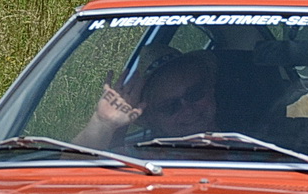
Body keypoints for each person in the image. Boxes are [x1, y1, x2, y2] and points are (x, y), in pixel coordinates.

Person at [73, 48, 218, 149]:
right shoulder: (140, 162)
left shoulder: (240, 140)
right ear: (150, 118)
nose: (188, 110)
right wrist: (103, 123)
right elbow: (72, 176)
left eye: (194, 94)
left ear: (210, 90)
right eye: (170, 107)